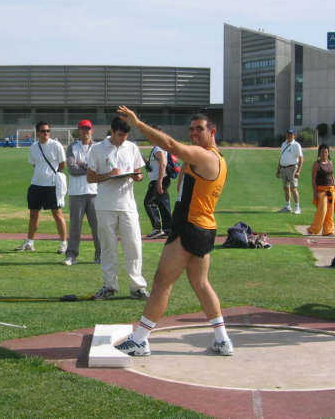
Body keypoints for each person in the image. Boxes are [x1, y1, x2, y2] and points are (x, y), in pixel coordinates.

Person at [114, 107, 233, 357]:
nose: (194, 133)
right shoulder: (217, 159)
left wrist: (138, 124)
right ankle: (222, 340)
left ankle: (140, 339)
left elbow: (169, 144)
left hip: (189, 229)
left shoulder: (206, 157)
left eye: (199, 129)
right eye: (191, 129)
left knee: (161, 282)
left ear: (212, 132)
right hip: (203, 228)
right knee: (200, 283)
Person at [86, 117, 149, 300]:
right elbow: (90, 177)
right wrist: (108, 175)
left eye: (125, 135)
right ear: (112, 131)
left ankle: (137, 287)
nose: (122, 139)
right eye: (120, 135)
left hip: (128, 205)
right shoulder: (97, 149)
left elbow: (139, 173)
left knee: (134, 245)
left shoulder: (132, 148)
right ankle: (109, 286)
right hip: (105, 205)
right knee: (108, 247)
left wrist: (136, 177)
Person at [15, 121, 68, 253]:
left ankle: (63, 243)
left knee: (57, 214)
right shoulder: (33, 147)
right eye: (43, 131)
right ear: (37, 133)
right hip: (36, 185)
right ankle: (30, 242)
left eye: (48, 131)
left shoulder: (56, 145)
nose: (46, 133)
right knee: (33, 215)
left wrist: (51, 175)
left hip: (52, 186)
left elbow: (62, 165)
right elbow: (34, 164)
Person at [63, 119, 101, 266]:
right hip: (76, 192)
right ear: (79, 131)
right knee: (75, 227)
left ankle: (100, 255)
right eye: (82, 129)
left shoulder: (98, 147)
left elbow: (99, 168)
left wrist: (83, 165)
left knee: (97, 227)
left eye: (88, 129)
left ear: (92, 130)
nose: (85, 132)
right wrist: (90, 168)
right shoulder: (72, 147)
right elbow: (72, 169)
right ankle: (71, 255)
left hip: (95, 192)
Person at [143, 129, 172, 239]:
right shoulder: (159, 147)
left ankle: (157, 228)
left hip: (159, 180)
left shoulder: (158, 148)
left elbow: (163, 163)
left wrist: (159, 182)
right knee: (163, 204)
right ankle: (168, 229)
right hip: (162, 179)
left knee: (149, 203)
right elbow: (154, 166)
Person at [307, 144, 335, 236]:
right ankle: (312, 230)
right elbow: (313, 179)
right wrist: (314, 192)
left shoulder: (330, 163)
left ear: (328, 153)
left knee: (330, 212)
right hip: (321, 190)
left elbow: (332, 176)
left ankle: (328, 231)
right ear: (319, 153)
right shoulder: (317, 164)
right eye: (322, 152)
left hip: (331, 190)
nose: (324, 154)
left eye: (325, 152)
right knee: (322, 210)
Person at [277, 129, 303, 214]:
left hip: (292, 168)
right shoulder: (283, 144)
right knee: (286, 188)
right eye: (288, 134)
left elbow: (301, 158)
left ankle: (297, 207)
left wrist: (298, 171)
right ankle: (287, 206)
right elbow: (281, 157)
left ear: (294, 136)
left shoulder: (296, 145)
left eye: (291, 134)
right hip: (283, 168)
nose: (289, 136)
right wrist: (278, 169)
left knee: (293, 188)